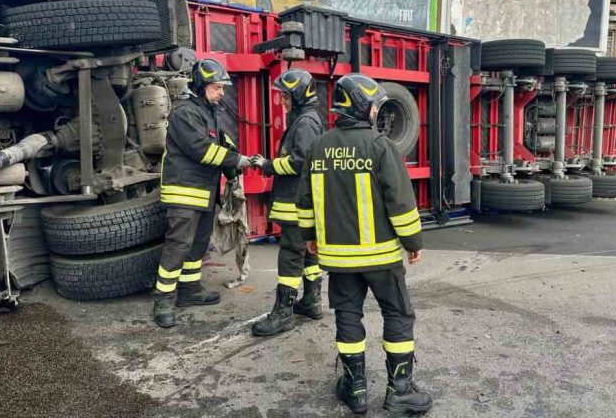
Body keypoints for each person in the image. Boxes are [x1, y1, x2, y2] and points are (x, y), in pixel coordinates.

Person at [295, 74, 432, 415]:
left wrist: (310, 237)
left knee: (347, 315)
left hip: (338, 259)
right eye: (374, 107)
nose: (376, 112)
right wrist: (412, 242)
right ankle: (400, 390)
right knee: (397, 313)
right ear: (361, 107)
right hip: (381, 257)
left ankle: (354, 389)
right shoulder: (380, 146)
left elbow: (305, 202)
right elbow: (401, 202)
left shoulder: (318, 147)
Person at [153, 58, 253, 329]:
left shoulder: (208, 112)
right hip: (184, 193)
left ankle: (189, 290)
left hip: (203, 193)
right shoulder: (184, 113)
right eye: (217, 87)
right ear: (201, 86)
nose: (222, 93)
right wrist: (237, 160)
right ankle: (163, 301)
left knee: (197, 245)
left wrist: (234, 165)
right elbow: (201, 149)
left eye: (222, 88)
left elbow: (220, 143)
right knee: (178, 246)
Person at [251, 69, 325, 337]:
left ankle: (283, 313)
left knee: (291, 256)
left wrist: (267, 165)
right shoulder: (306, 119)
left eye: (285, 96)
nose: (282, 101)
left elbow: (300, 161)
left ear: (298, 96)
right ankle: (312, 301)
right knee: (308, 253)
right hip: (301, 201)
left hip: (296, 203)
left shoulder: (304, 123)